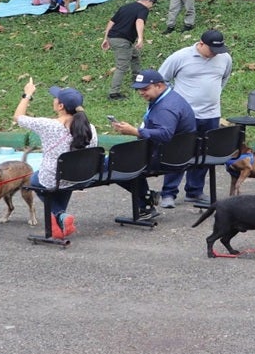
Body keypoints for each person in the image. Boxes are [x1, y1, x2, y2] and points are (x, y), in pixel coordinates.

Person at [156, 30, 232, 207]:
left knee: (203, 153)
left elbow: (224, 79)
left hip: (211, 114)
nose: (215, 53)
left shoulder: (225, 57)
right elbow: (162, 79)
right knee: (178, 152)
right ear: (201, 44)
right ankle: (168, 192)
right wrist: (174, 102)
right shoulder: (180, 57)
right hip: (184, 116)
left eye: (218, 49)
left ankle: (195, 191)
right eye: (211, 49)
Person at [15, 78, 97, 238]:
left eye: (56, 98)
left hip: (54, 178)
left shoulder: (49, 125)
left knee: (36, 180)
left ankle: (60, 216)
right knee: (65, 177)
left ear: (60, 106)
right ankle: (60, 222)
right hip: (81, 176)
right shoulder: (90, 128)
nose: (54, 99)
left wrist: (27, 94)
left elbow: (18, 117)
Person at [109, 69, 196, 220]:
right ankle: (146, 201)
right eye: (139, 89)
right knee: (123, 161)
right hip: (176, 152)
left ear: (159, 86)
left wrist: (136, 131)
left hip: (166, 157)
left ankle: (145, 201)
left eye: (145, 89)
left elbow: (165, 134)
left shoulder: (166, 108)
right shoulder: (169, 98)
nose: (141, 93)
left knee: (115, 164)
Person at [101, 0, 157, 100]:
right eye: (153, 3)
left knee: (135, 56)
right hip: (122, 40)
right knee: (122, 66)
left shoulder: (126, 7)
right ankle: (114, 93)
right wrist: (140, 38)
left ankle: (137, 81)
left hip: (114, 38)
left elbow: (111, 22)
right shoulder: (143, 9)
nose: (152, 6)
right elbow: (139, 21)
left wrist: (106, 38)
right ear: (148, 1)